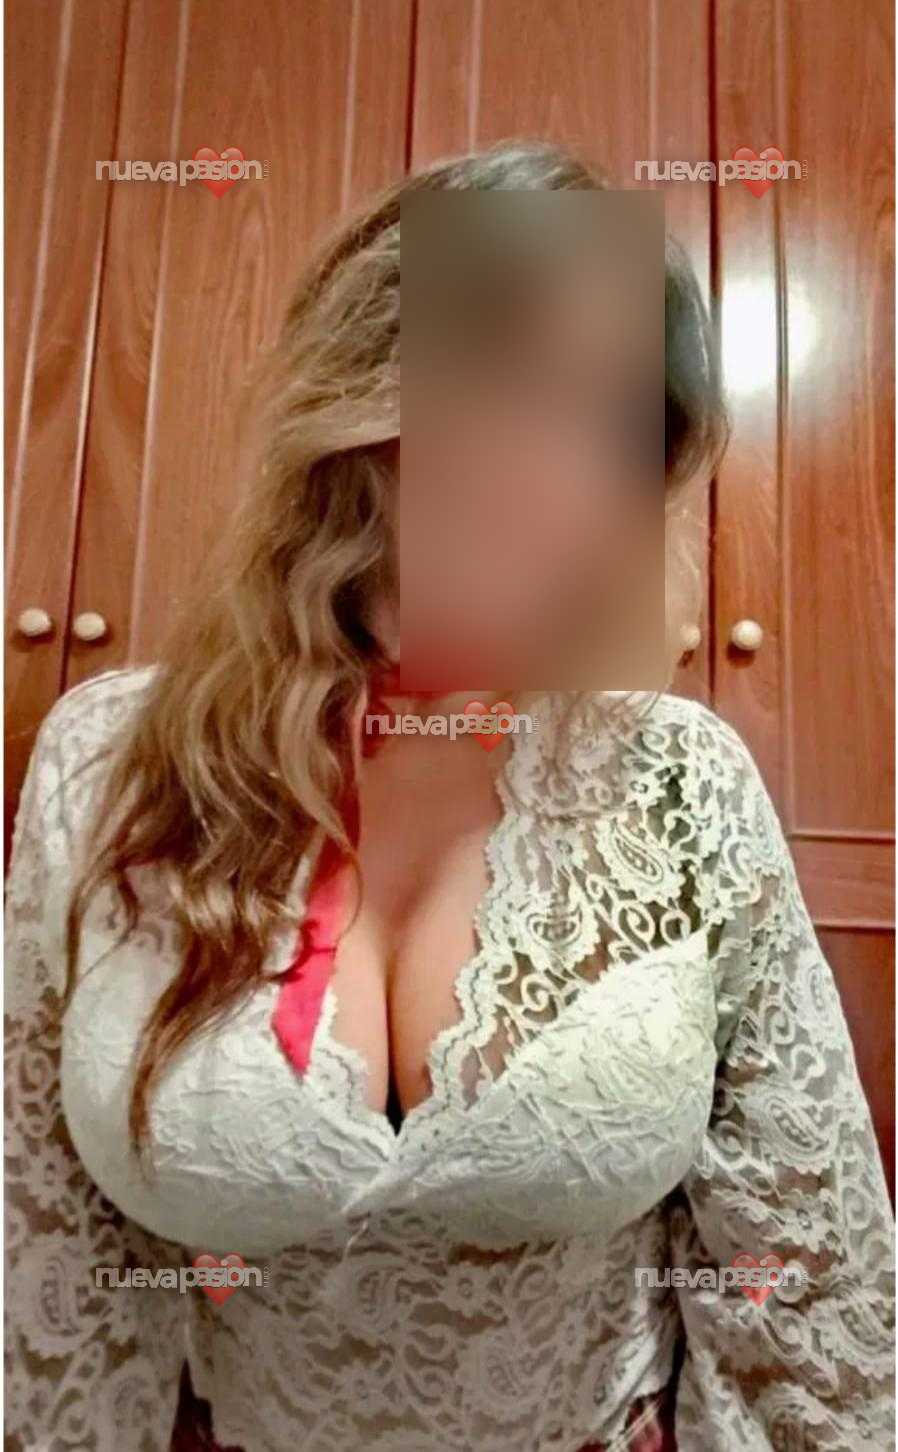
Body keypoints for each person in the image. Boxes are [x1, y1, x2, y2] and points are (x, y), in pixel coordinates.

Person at [5, 140, 894, 1452]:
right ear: (359, 400)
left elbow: (805, 1301)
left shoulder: (678, 782)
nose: (573, 486)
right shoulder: (109, 761)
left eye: (618, 428)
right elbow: (46, 1259)